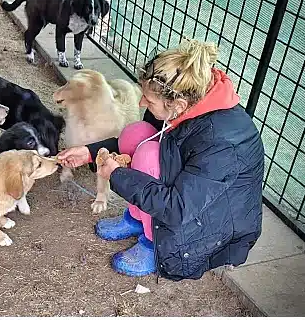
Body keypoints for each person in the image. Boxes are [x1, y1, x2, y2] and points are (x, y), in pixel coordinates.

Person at [57, 38, 264, 280]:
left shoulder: (221, 142)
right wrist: (90, 152)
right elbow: (145, 137)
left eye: (149, 100)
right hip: (191, 201)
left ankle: (152, 242)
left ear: (178, 104)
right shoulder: (181, 104)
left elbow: (178, 208)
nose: (141, 102)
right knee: (136, 133)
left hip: (212, 228)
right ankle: (137, 218)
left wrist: (116, 175)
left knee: (147, 154)